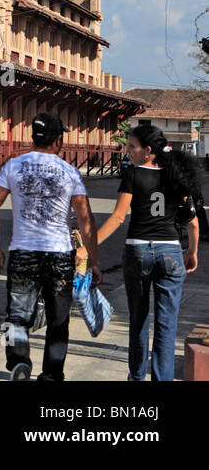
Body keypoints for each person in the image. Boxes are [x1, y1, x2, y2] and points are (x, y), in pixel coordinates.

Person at [0, 112, 101, 381]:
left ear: (33, 137)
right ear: (58, 140)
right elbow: (86, 219)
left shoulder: (13, 167)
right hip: (60, 254)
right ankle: (51, 374)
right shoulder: (70, 172)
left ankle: (19, 363)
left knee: (17, 315)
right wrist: (94, 260)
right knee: (58, 321)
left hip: (24, 252)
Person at [88, 124, 204, 380]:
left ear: (147, 150)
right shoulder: (177, 175)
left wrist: (89, 246)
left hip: (137, 251)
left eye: (132, 146)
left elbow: (118, 217)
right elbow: (193, 221)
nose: (127, 151)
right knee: (166, 323)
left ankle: (137, 375)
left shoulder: (132, 174)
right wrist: (192, 251)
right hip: (171, 251)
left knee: (138, 318)